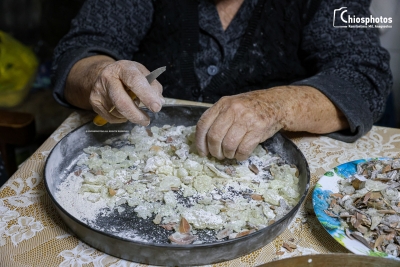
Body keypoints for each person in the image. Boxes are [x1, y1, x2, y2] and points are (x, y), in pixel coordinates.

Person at [52, 0, 392, 160]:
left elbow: (364, 75)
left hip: (268, 164)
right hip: (143, 153)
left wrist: (274, 105)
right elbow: (79, 52)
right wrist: (99, 75)